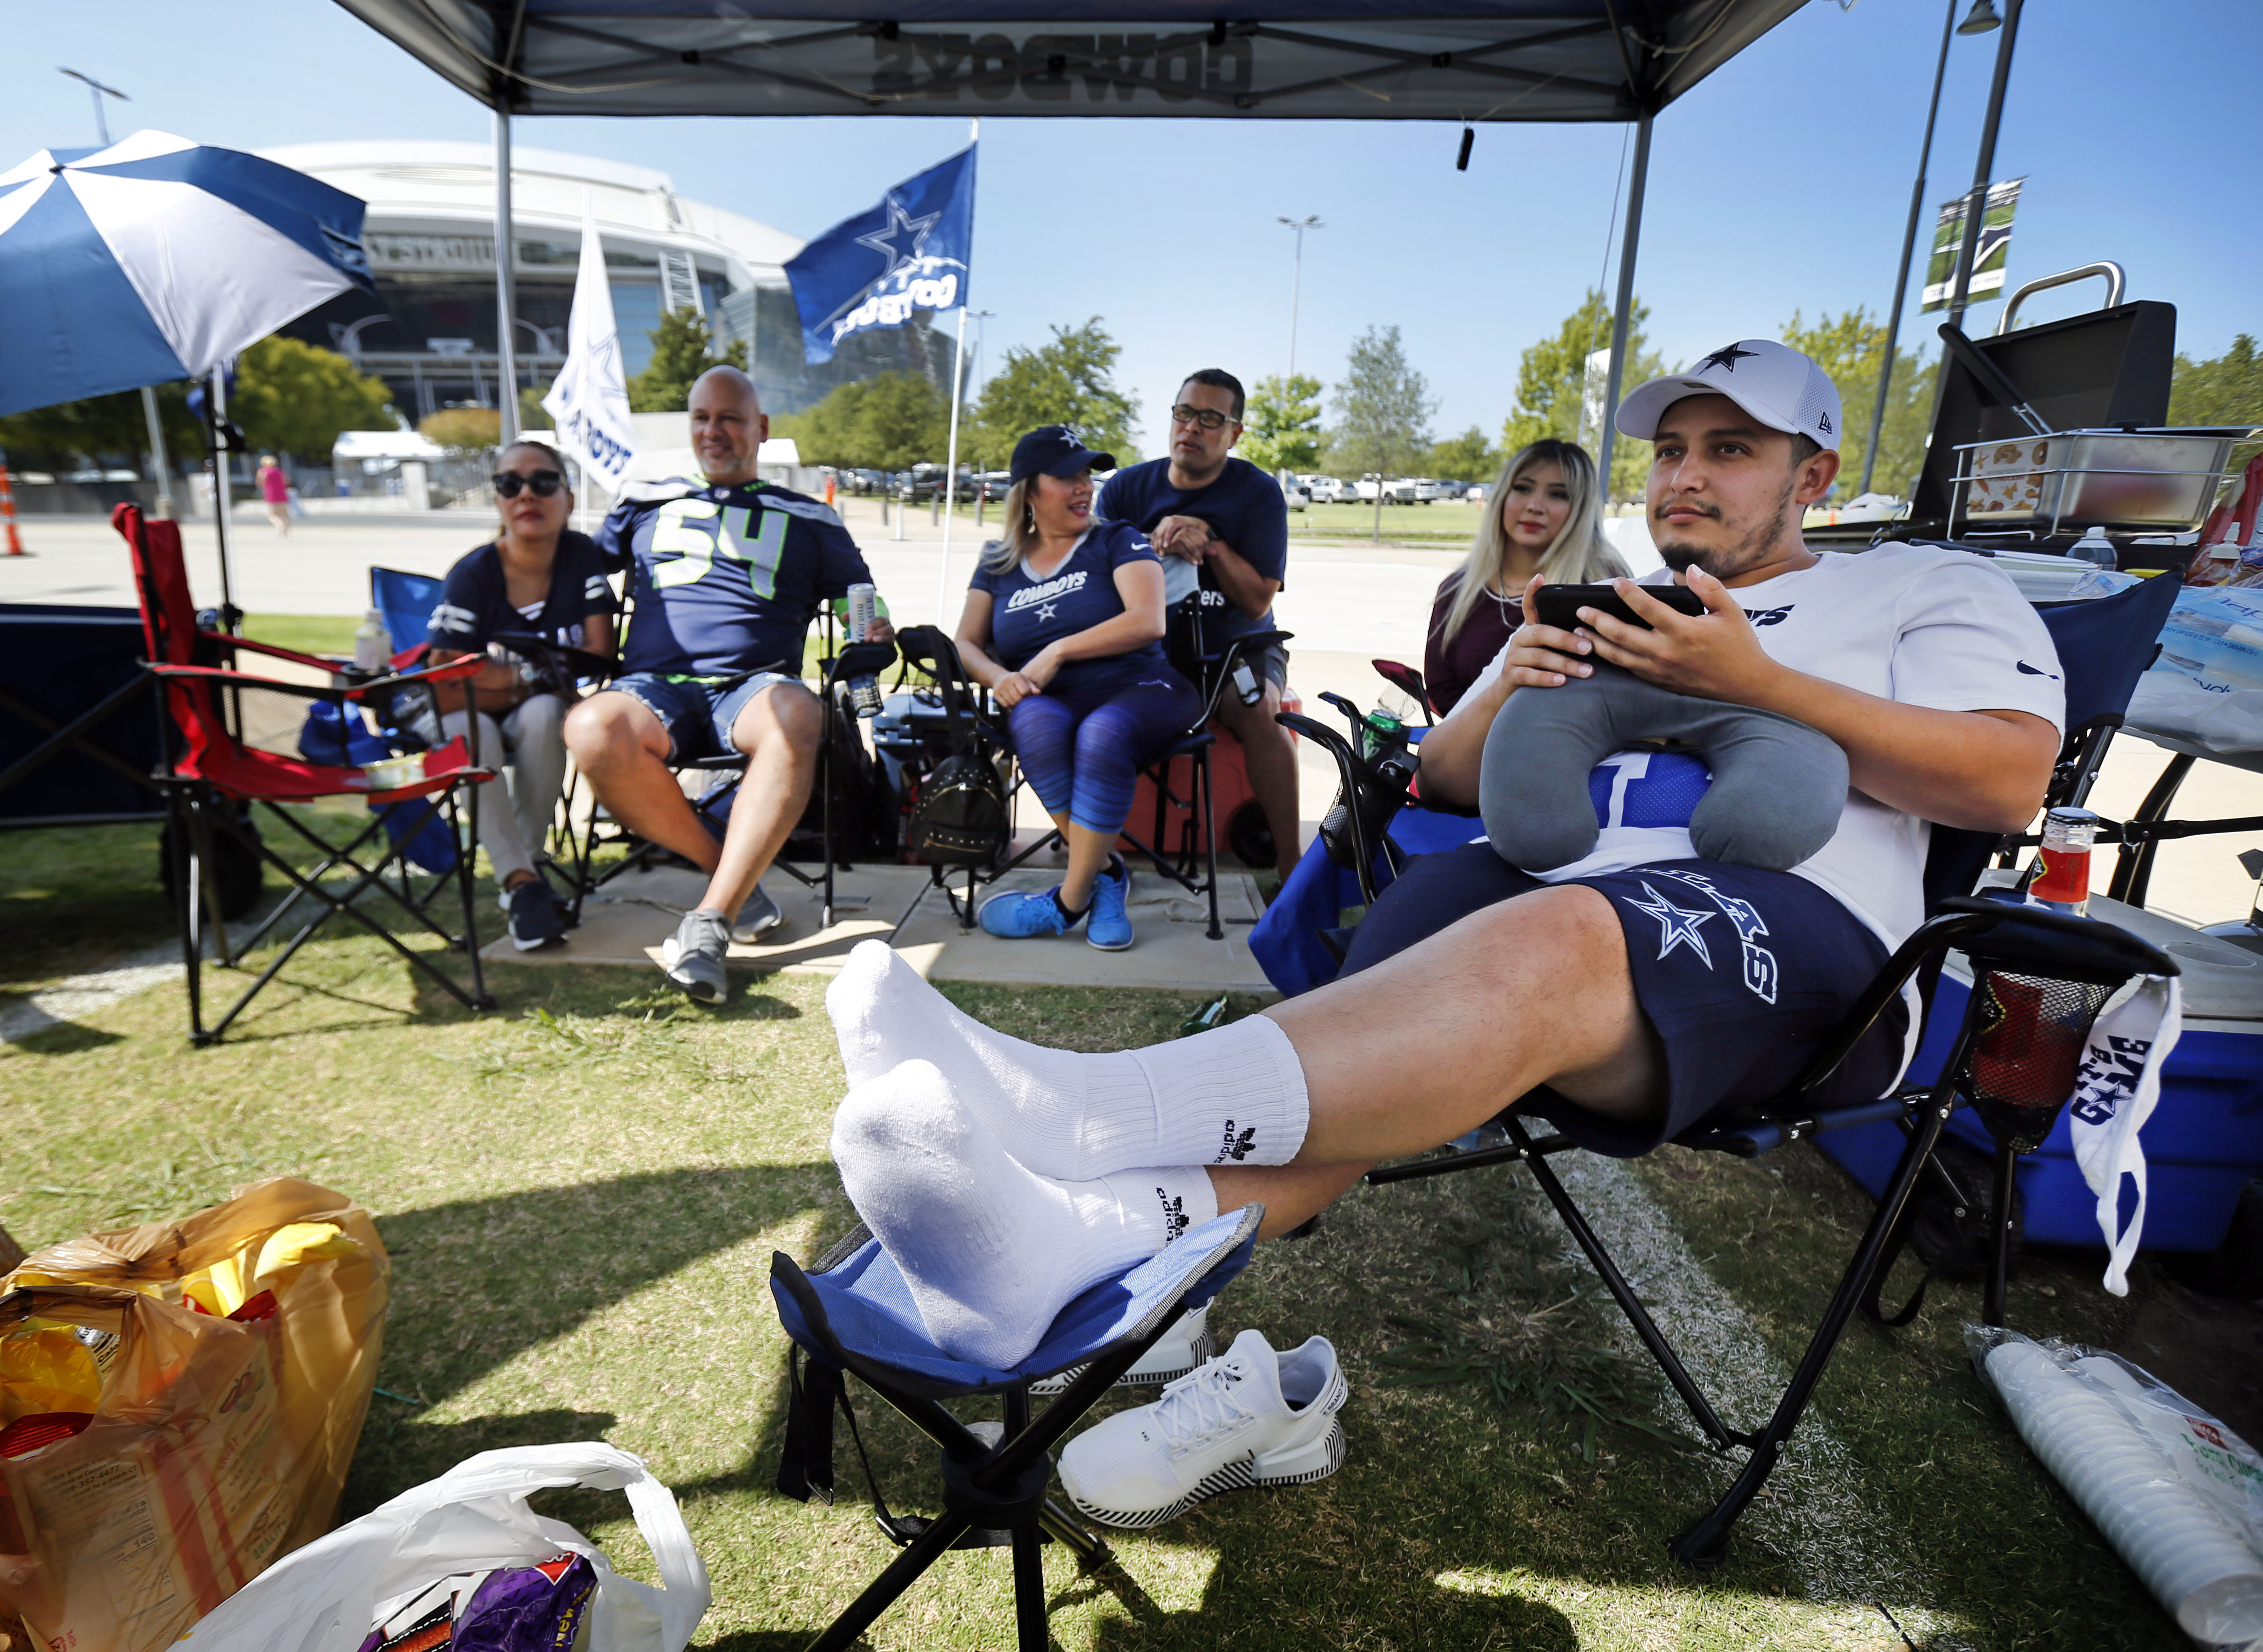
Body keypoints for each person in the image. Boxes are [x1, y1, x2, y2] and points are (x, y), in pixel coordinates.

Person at [818, 338, 2066, 1516]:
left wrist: (1757, 684)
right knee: (1402, 976)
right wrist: (1520, 671)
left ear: (1814, 476)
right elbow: (1449, 779)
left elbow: (2007, 782)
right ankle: (1062, 1242)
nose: (1685, 472)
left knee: (1556, 934)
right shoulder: (1608, 597)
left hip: (1803, 941)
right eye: (1671, 447)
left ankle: (1076, 1108)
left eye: (1730, 449)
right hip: (1556, 903)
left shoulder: (1920, 582)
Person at [568, 365, 891, 1006]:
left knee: (797, 712)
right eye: (701, 418)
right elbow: (574, 570)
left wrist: (872, 634)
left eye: (730, 418)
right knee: (589, 727)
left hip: (751, 690)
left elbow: (860, 596)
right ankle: (732, 872)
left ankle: (710, 920)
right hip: (653, 688)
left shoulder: (810, 515)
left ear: (761, 429)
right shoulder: (644, 499)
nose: (713, 431)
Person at [956, 425, 1205, 952]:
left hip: (1143, 685)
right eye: (1066, 477)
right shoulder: (997, 561)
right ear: (1029, 490)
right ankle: (1106, 875)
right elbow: (966, 644)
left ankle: (1066, 902)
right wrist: (1001, 677)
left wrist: (1057, 650)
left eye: (1087, 475)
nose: (1084, 487)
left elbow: (1148, 620)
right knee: (1032, 720)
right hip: (1051, 698)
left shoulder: (1119, 539)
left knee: (1102, 731)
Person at [1096, 370, 1302, 875]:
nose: (1192, 427)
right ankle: (1094, 859)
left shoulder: (1257, 494)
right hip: (1147, 646)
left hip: (1238, 646)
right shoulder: (1125, 489)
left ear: (1234, 433)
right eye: (1184, 413)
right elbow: (1094, 583)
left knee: (1256, 706)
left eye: (1211, 418)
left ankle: (1290, 862)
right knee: (1080, 704)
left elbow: (1257, 603)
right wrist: (1154, 539)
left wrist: (1209, 541)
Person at [420, 440, 617, 952]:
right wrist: (531, 672)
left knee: (546, 711)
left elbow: (600, 649)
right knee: (472, 729)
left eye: (543, 482)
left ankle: (519, 876)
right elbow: (445, 676)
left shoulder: (579, 555)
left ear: (569, 499)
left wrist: (503, 675)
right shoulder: (473, 573)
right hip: (464, 712)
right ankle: (525, 882)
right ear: (498, 500)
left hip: (535, 708)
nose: (526, 493)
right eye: (511, 483)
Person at [1420, 439, 1627, 716]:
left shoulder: (1605, 584)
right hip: (1471, 754)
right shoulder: (1457, 589)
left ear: (1581, 509)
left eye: (1558, 494)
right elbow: (1441, 689)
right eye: (1523, 489)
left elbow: (1621, 696)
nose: (1535, 505)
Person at [258, 456, 294, 538]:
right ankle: (287, 533)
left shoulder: (263, 472)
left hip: (271, 496)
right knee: (285, 515)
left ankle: (279, 524)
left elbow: (260, 483)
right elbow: (286, 482)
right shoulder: (279, 471)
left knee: (272, 515)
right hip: (282, 495)